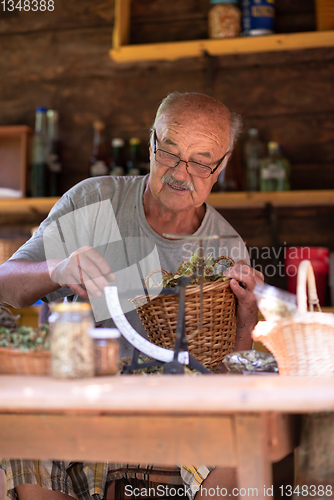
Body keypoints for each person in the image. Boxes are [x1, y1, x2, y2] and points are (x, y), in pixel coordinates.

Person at [0, 92, 263, 500]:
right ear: (152, 143)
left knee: (239, 434)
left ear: (223, 165)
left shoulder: (224, 247)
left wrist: (246, 323)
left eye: (200, 161)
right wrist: (56, 268)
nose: (180, 172)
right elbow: (6, 285)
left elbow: (225, 378)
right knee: (17, 428)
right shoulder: (94, 201)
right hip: (80, 399)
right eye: (169, 153)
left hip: (172, 414)